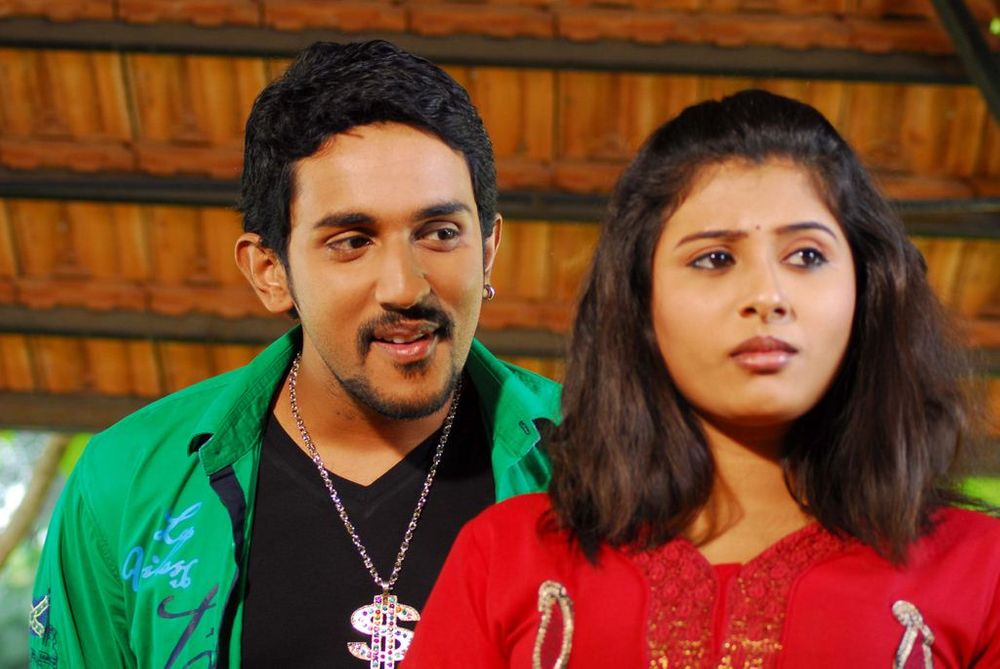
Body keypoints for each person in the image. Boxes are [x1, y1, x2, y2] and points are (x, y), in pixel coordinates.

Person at [404, 89, 1000, 668]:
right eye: (714, 258)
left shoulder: (982, 571)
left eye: (807, 256)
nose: (767, 295)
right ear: (641, 303)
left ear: (866, 289)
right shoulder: (508, 553)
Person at [28, 40, 561, 668]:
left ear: (489, 250)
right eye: (352, 241)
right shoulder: (125, 484)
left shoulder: (604, 458)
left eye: (441, 233)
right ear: (270, 271)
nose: (405, 287)